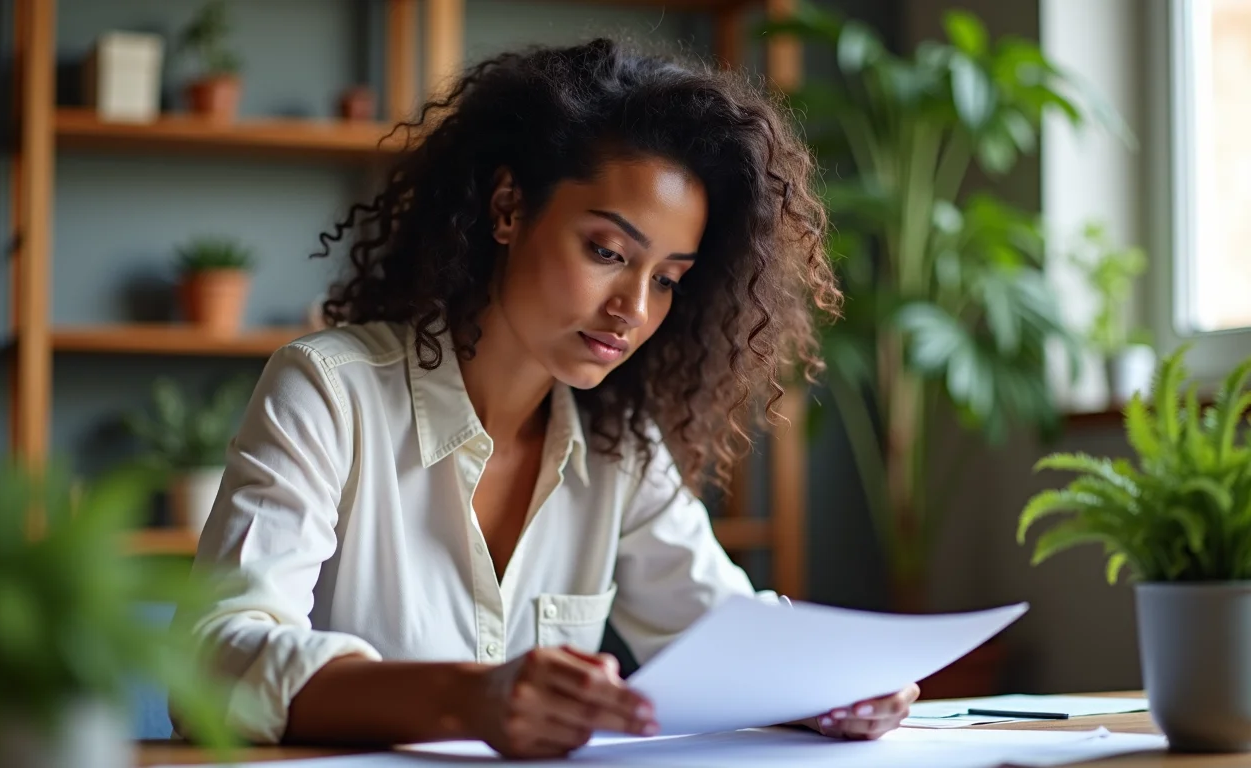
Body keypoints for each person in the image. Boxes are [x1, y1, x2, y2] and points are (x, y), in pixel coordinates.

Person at [175, 38, 919, 759]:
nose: (633, 307)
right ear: (507, 208)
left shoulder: (617, 447)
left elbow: (722, 631)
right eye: (607, 252)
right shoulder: (331, 391)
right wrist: (469, 698)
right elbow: (216, 660)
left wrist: (831, 684)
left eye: (666, 279)